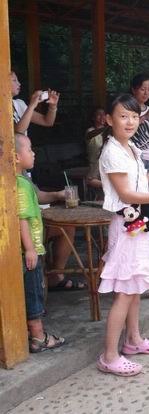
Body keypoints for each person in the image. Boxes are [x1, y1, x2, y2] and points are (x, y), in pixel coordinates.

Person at [96, 93, 149, 377]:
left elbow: (136, 182)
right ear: (109, 120)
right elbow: (126, 194)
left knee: (134, 288)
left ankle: (133, 340)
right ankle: (109, 356)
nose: (130, 121)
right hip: (125, 226)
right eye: (123, 116)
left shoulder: (130, 146)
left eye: (134, 116)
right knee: (123, 292)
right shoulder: (111, 151)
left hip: (138, 224)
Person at [15, 133, 67, 353]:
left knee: (29, 290)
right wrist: (29, 249)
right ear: (15, 157)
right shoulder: (21, 184)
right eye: (29, 149)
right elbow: (22, 217)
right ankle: (38, 336)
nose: (34, 153)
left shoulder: (19, 180)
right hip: (30, 250)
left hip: (28, 249)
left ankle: (29, 332)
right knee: (33, 290)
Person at [11, 71, 60, 136]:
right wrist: (32, 105)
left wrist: (53, 106)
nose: (19, 84)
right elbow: (19, 133)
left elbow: (47, 122)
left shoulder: (19, 104)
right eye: (14, 80)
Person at [85, 107, 106, 191]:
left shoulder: (109, 131)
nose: (102, 116)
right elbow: (90, 135)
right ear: (93, 117)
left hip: (107, 165)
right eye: (99, 114)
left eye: (104, 114)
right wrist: (106, 128)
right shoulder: (90, 131)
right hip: (95, 166)